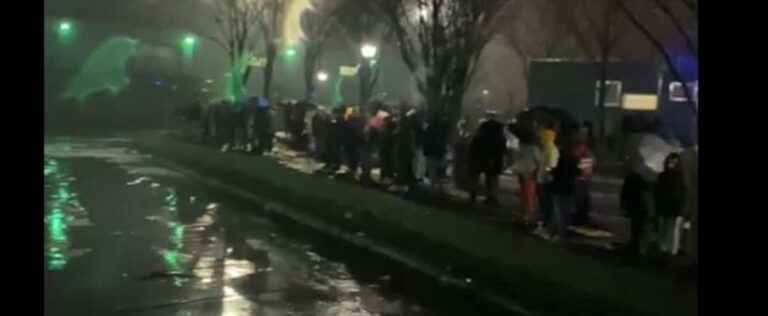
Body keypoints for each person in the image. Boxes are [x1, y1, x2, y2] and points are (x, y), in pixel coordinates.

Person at [468, 111, 507, 206]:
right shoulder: (499, 136)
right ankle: (492, 197)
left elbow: (473, 146)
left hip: (480, 157)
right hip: (494, 159)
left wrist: (472, 157)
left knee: (476, 177)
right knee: (492, 178)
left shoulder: (481, 134)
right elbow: (502, 148)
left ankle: (473, 194)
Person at [655, 152, 686, 257]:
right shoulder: (662, 176)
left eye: (673, 162)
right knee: (663, 229)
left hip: (675, 207)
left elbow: (683, 194)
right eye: (670, 161)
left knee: (673, 231)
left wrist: (682, 210)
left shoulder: (680, 177)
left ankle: (672, 252)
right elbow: (658, 192)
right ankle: (664, 250)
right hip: (664, 206)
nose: (671, 163)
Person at [549, 139, 580, 241]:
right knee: (567, 211)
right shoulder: (573, 158)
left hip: (558, 187)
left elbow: (553, 171)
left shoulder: (559, 157)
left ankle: (558, 232)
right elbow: (577, 172)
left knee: (558, 210)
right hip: (569, 188)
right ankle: (565, 231)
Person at [533, 127, 559, 238]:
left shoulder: (551, 149)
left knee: (547, 206)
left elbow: (551, 167)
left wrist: (546, 174)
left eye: (541, 137)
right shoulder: (545, 149)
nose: (539, 139)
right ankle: (543, 227)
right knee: (543, 206)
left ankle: (548, 229)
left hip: (546, 182)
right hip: (542, 181)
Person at [513, 131, 542, 226]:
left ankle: (523, 216)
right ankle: (527, 217)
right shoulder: (534, 149)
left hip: (522, 173)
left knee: (524, 195)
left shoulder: (521, 148)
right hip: (530, 174)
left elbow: (516, 160)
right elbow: (539, 162)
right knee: (529, 196)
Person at [572, 132, 596, 226]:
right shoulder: (585, 153)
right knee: (580, 202)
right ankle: (580, 219)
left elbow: (584, 172)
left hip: (581, 181)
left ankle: (581, 220)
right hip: (580, 181)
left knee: (581, 202)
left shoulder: (587, 154)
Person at [423, 115, 450, 195]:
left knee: (432, 171)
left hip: (432, 153)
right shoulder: (442, 130)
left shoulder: (430, 129)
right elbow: (443, 141)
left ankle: (432, 188)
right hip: (440, 152)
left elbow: (427, 141)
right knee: (440, 171)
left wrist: (426, 151)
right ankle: (440, 188)